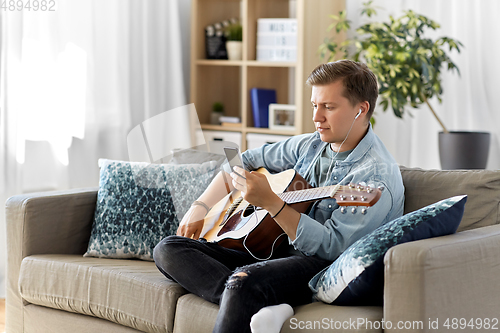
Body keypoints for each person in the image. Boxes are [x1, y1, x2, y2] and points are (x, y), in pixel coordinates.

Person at [153, 59, 405, 333]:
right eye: (314, 105)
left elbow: (332, 247)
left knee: (244, 282)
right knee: (168, 249)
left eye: (328, 107)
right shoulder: (310, 144)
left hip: (318, 264)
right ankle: (259, 301)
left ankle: (249, 293)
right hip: (271, 250)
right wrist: (199, 207)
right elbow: (244, 161)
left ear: (361, 109)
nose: (316, 117)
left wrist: (272, 203)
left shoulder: (375, 177)